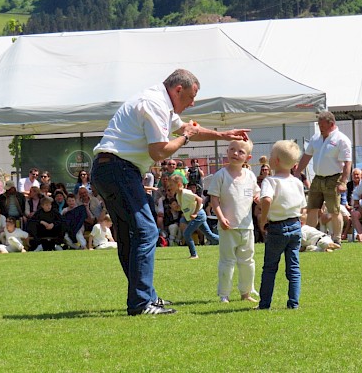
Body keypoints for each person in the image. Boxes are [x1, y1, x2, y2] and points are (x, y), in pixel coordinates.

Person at [91, 69, 250, 316]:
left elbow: (188, 128)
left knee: (129, 235)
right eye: (191, 96)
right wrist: (185, 137)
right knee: (146, 231)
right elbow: (159, 151)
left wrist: (221, 134)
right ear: (178, 90)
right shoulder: (154, 104)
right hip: (119, 169)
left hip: (108, 169)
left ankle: (145, 298)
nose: (192, 103)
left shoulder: (162, 104)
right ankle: (142, 302)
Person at [208, 139, 260, 303]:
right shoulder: (220, 175)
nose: (235, 154)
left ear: (248, 157)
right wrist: (221, 217)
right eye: (232, 150)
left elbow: (256, 195)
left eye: (240, 152)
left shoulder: (250, 176)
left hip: (247, 227)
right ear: (227, 152)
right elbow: (214, 199)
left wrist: (260, 199)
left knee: (247, 261)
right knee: (227, 261)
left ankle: (246, 292)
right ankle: (224, 294)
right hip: (227, 227)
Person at [256, 140, 306, 310]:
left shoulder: (270, 181)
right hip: (295, 225)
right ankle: (293, 303)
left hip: (276, 227)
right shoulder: (297, 182)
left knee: (270, 267)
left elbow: (267, 199)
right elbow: (302, 207)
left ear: (275, 161)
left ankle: (265, 304)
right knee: (293, 267)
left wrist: (263, 219)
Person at [293, 111, 352, 246]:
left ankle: (337, 239)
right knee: (312, 208)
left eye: (322, 124)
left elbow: (348, 162)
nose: (320, 127)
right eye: (319, 124)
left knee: (334, 210)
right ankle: (310, 238)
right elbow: (306, 157)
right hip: (317, 178)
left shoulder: (341, 139)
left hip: (334, 178)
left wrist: (343, 182)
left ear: (331, 124)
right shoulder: (316, 138)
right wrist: (297, 173)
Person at [168, 174, 219, 259]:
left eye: (171, 185)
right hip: (198, 216)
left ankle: (194, 254)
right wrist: (177, 208)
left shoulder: (186, 193)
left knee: (187, 233)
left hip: (199, 215)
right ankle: (228, 242)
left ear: (179, 184)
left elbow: (200, 200)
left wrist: (195, 213)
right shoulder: (178, 196)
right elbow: (185, 206)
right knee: (210, 236)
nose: (170, 187)